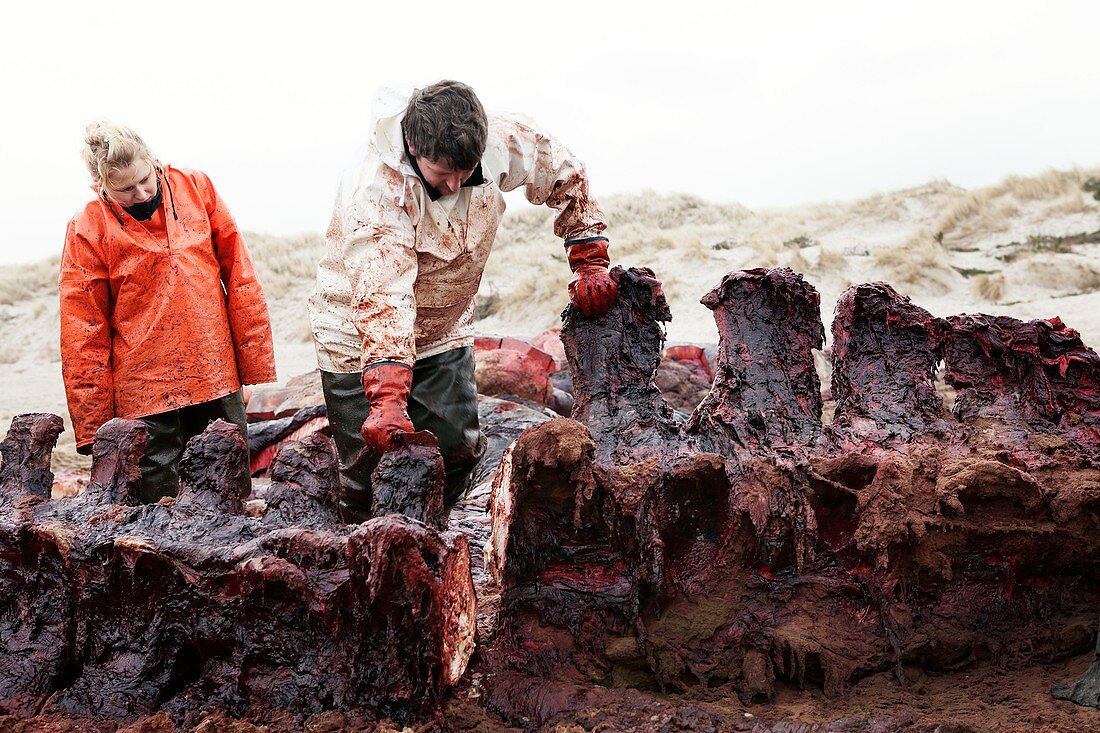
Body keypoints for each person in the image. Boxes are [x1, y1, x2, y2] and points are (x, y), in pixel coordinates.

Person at [309, 80, 619, 523]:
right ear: (414, 146)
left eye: (467, 173)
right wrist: (388, 398)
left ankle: (436, 541)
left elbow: (565, 173)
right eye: (443, 175)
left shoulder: (503, 141)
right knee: (369, 471)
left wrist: (589, 258)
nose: (456, 185)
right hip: (358, 338)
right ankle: (363, 550)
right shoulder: (376, 192)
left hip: (443, 325)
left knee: (455, 450)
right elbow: (384, 295)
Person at [60, 121, 277, 502]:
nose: (141, 192)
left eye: (145, 178)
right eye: (125, 189)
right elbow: (83, 330)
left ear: (152, 160)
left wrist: (253, 365)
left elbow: (240, 276)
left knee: (227, 481)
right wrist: (93, 425)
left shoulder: (196, 187)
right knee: (158, 500)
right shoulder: (86, 227)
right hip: (143, 389)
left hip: (214, 370)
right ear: (100, 184)